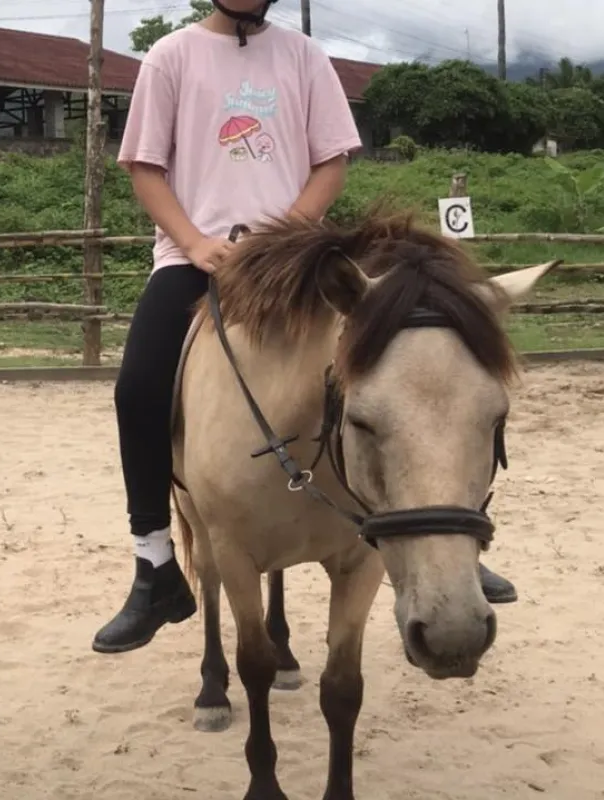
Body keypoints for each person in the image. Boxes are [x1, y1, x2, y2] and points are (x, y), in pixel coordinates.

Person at [91, 0, 517, 655]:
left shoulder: (304, 56)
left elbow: (330, 163)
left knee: (425, 364)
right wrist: (194, 242)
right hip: (194, 257)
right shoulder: (170, 57)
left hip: (297, 257)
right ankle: (154, 563)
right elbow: (145, 168)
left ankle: (452, 537)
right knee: (137, 387)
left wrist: (281, 236)